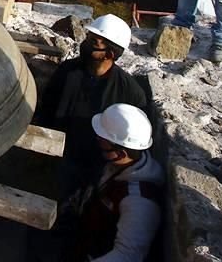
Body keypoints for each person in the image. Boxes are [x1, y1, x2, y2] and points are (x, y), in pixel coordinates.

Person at [35, 14, 147, 198]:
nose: (86, 43)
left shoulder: (129, 92)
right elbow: (48, 107)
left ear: (110, 54)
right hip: (57, 157)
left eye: (95, 41)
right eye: (88, 37)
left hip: (94, 167)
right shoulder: (68, 71)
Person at [64, 103, 164, 262]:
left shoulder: (139, 203)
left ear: (120, 153)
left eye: (103, 140)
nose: (98, 140)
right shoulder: (120, 165)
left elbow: (126, 256)